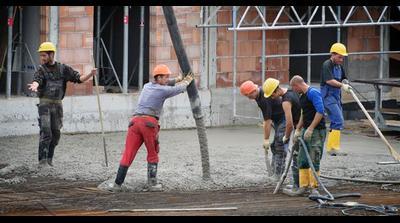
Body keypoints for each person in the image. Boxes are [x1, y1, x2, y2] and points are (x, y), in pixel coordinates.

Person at [105, 64, 194, 192]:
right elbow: (178, 89)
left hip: (134, 123)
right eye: (165, 77)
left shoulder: (147, 86)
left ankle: (117, 184)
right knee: (153, 153)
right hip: (149, 124)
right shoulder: (164, 90)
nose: (167, 79)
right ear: (158, 78)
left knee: (128, 153)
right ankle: (152, 184)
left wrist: (177, 79)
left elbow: (167, 83)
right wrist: (186, 81)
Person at [28, 42, 97, 167]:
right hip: (44, 105)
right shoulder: (41, 70)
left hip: (58, 106)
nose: (42, 58)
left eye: (44, 55)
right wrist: (35, 85)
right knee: (46, 131)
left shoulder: (64, 69)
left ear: (51, 54)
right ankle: (42, 161)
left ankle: (49, 159)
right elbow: (37, 79)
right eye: (41, 56)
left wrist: (90, 75)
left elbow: (78, 79)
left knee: (56, 134)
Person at [285, 75, 327, 196]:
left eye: (293, 88)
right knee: (302, 159)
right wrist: (298, 129)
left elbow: (320, 111)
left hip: (317, 131)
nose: (294, 91)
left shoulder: (313, 93)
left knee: (314, 158)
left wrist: (311, 128)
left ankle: (314, 188)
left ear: (296, 85)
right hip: (306, 130)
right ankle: (303, 187)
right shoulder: (302, 96)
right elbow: (304, 113)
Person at [240, 80, 286, 181]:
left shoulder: (264, 98)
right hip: (278, 120)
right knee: (275, 145)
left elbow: (267, 121)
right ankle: (274, 171)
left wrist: (266, 139)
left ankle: (279, 174)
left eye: (248, 95)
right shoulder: (258, 96)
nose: (249, 98)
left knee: (279, 145)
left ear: (254, 91)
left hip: (285, 118)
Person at [262, 77, 301, 191]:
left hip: (301, 127)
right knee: (298, 156)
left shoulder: (285, 100)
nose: (272, 98)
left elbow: (289, 123)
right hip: (301, 126)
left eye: (272, 95)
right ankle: (300, 184)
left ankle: (299, 186)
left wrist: (287, 137)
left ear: (276, 90)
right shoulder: (292, 92)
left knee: (297, 156)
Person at [320, 43, 352, 156]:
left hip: (336, 96)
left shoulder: (339, 66)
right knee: (338, 120)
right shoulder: (327, 65)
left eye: (343, 57)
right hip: (328, 96)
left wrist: (345, 83)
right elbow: (329, 81)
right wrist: (342, 86)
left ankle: (332, 147)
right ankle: (333, 147)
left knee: (337, 120)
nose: (341, 59)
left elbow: (343, 78)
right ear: (332, 54)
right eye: (339, 57)